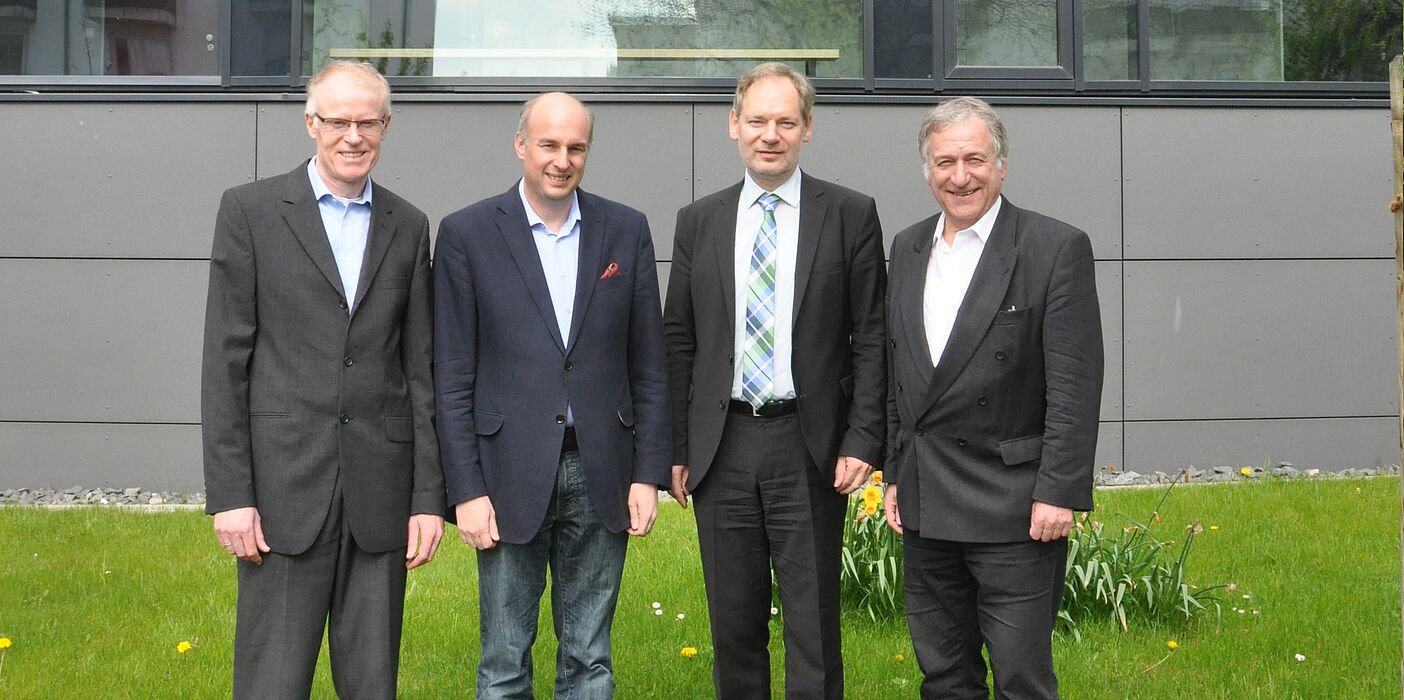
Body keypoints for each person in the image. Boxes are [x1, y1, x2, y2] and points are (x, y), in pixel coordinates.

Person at [201, 60, 446, 699]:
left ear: (386, 126)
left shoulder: (409, 224)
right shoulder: (250, 211)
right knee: (272, 685)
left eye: (368, 122)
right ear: (311, 123)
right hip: (283, 493)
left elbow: (418, 369)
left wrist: (427, 498)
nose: (353, 136)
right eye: (338, 121)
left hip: (380, 495)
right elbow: (225, 365)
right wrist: (231, 494)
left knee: (371, 687)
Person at [434, 91, 671, 698]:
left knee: (590, 656)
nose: (561, 160)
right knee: (504, 657)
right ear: (521, 146)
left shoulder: (626, 229)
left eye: (575, 147)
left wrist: (647, 474)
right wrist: (466, 489)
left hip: (603, 469)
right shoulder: (466, 234)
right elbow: (453, 375)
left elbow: (649, 366)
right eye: (548, 145)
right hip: (506, 470)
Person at [662, 62, 887, 699]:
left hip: (808, 444)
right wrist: (677, 448)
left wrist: (864, 438)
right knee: (733, 627)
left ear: (807, 129)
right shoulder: (698, 221)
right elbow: (678, 338)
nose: (770, 134)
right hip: (722, 443)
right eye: (757, 120)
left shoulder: (849, 214)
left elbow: (871, 337)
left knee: (814, 629)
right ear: (734, 125)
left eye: (785, 121)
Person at [883, 96, 1104, 699]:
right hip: (928, 503)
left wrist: (1058, 492)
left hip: (1015, 508)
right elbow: (897, 374)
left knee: (1021, 679)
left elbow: (1075, 387)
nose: (960, 176)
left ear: (1001, 165)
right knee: (944, 676)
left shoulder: (1054, 247)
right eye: (945, 161)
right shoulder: (906, 248)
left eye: (975, 159)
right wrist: (895, 475)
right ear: (927, 170)